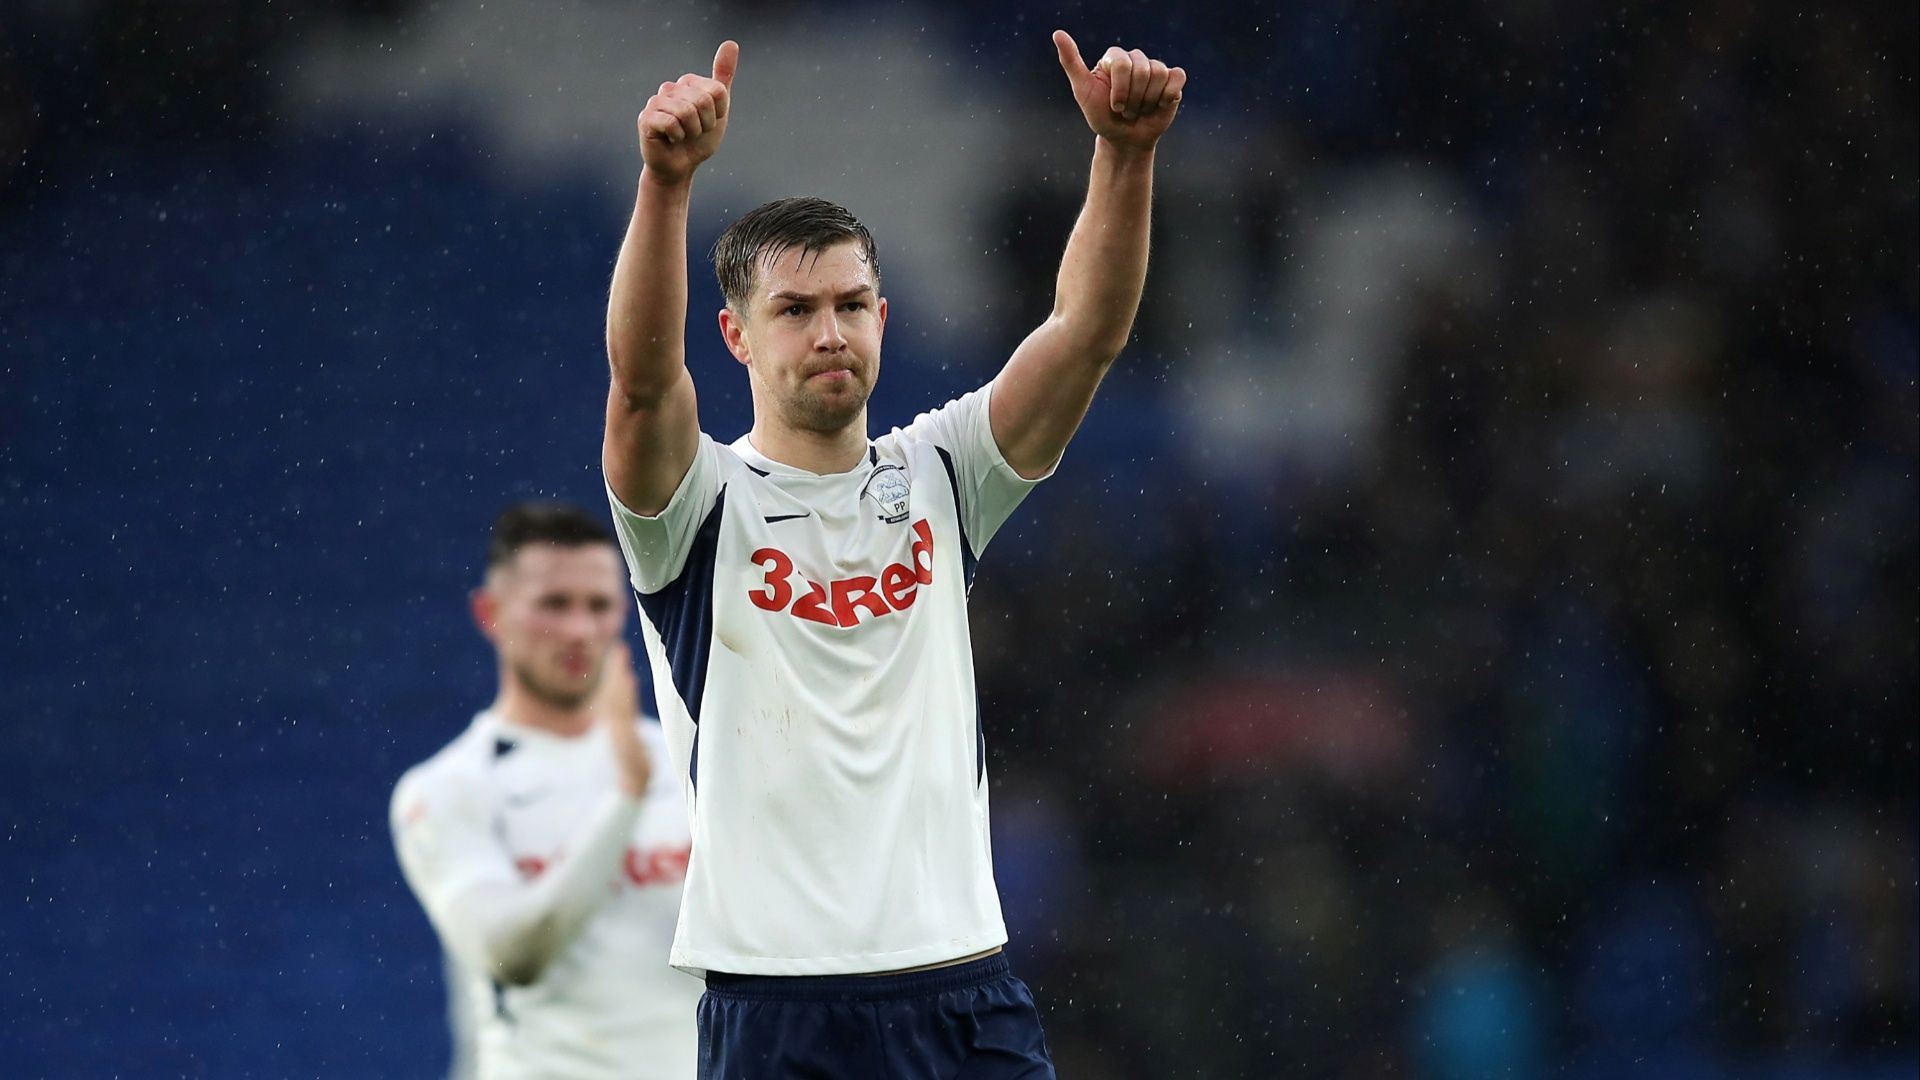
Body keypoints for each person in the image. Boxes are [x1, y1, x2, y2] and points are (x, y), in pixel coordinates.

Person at [600, 30, 1185, 1079]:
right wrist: (666, 183)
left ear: (883, 315)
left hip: (958, 982)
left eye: (849, 305)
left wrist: (1125, 157)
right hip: (775, 1001)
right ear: (735, 335)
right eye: (794, 310)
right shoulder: (699, 507)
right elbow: (643, 386)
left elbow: (1085, 329)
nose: (830, 332)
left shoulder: (941, 472)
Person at [390, 503, 701, 1079]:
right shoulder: (448, 789)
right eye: (554, 605)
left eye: (599, 606)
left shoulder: (686, 757)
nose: (581, 630)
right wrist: (626, 797)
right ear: (491, 614)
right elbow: (514, 954)